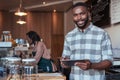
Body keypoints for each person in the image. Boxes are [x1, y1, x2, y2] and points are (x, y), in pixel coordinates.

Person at [61, 2, 113, 80]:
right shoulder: (69, 36)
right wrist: (64, 63)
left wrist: (91, 66)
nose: (79, 18)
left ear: (88, 14)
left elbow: (109, 61)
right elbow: (66, 60)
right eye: (75, 15)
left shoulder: (102, 34)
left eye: (82, 14)